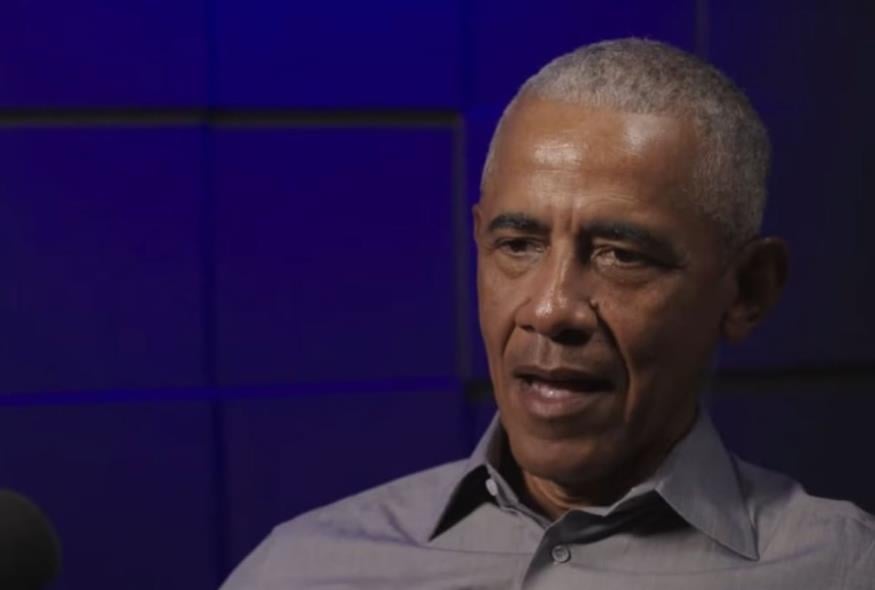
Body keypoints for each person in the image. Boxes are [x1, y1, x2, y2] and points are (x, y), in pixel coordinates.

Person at [220, 38, 875, 589]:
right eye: (518, 245)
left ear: (748, 291)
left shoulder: (846, 570)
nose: (550, 307)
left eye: (621, 255)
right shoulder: (298, 572)